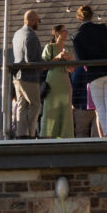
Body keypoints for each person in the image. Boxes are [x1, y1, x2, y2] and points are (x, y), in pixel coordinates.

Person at [71, 5, 107, 138]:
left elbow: (82, 59)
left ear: (79, 17)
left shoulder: (76, 36)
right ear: (92, 15)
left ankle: (105, 134)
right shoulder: (103, 29)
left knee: (100, 106)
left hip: (94, 73)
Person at [11, 10, 46, 138]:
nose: (39, 23)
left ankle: (21, 134)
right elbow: (30, 60)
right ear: (32, 21)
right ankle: (31, 133)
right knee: (35, 104)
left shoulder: (17, 34)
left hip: (17, 76)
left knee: (22, 105)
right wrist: (46, 64)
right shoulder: (31, 36)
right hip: (29, 77)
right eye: (38, 21)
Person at [41, 25, 75, 139]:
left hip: (65, 82)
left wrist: (68, 60)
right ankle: (48, 136)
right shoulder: (49, 47)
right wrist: (58, 57)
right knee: (50, 109)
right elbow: (44, 66)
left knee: (65, 110)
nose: (66, 32)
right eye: (64, 30)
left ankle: (65, 137)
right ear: (57, 33)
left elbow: (72, 69)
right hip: (52, 82)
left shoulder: (69, 49)